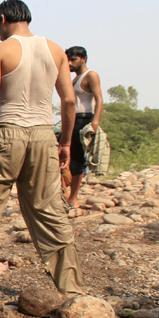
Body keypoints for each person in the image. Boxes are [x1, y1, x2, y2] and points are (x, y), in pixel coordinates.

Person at [0, 0, 83, 297]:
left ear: (2, 18)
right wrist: (65, 141)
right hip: (43, 133)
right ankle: (70, 287)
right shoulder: (55, 50)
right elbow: (68, 101)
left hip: (6, 132)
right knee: (50, 210)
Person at [65, 46, 103, 209]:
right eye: (68, 60)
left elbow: (99, 99)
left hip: (84, 119)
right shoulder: (74, 78)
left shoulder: (91, 75)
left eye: (73, 59)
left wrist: (94, 123)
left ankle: (73, 198)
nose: (70, 63)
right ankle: (66, 194)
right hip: (72, 120)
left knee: (77, 160)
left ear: (83, 59)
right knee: (64, 157)